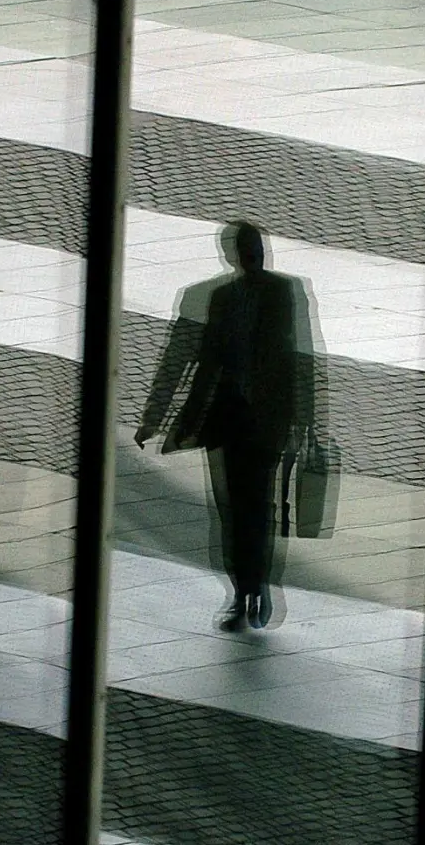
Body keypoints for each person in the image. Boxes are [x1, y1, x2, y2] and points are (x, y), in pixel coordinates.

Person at [136, 221, 317, 631]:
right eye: (249, 248)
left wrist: (306, 421)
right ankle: (246, 589)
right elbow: (190, 361)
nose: (255, 255)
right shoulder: (224, 298)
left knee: (255, 508)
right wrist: (155, 416)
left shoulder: (281, 292)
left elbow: (300, 357)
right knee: (235, 510)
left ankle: (252, 587)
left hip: (265, 420)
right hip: (232, 418)